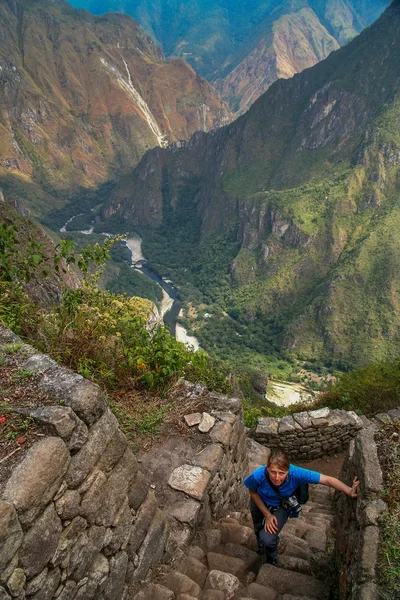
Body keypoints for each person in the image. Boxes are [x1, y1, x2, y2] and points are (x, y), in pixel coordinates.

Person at [244, 448, 359, 566]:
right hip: (260, 502)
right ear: (267, 468)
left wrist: (349, 490)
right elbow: (253, 492)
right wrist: (267, 515)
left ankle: (271, 558)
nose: (277, 478)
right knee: (258, 527)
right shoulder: (259, 475)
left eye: (282, 473)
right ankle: (260, 548)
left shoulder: (297, 473)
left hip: (281, 506)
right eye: (273, 472)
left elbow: (327, 480)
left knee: (268, 538)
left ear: (288, 471)